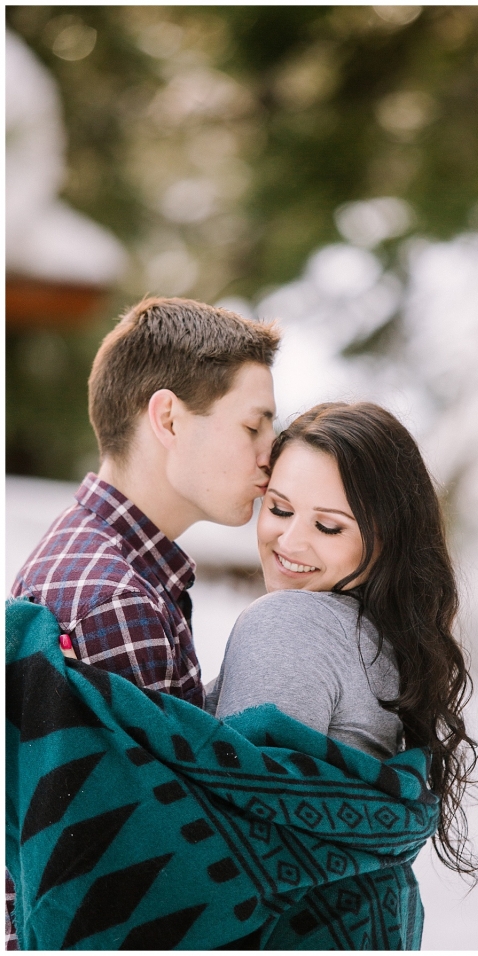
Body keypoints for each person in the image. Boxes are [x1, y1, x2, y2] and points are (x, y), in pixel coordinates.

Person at [6, 295, 280, 949]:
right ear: (168, 418)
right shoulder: (117, 601)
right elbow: (153, 888)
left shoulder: (92, 558)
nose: (271, 455)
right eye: (254, 427)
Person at [209, 401, 478, 888]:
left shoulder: (289, 621)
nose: (290, 541)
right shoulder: (386, 642)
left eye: (328, 526)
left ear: (385, 540)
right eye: (279, 508)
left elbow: (236, 846)